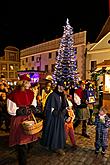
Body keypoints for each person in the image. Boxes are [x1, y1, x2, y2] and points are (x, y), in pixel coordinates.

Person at [7, 74, 38, 165]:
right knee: (22, 143)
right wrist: (19, 111)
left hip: (29, 119)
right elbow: (10, 110)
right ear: (23, 83)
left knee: (30, 142)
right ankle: (22, 162)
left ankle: (23, 156)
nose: (30, 83)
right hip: (19, 120)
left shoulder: (31, 93)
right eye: (28, 82)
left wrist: (32, 107)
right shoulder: (13, 94)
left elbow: (34, 103)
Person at [40, 81, 68, 156]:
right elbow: (49, 108)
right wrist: (56, 113)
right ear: (58, 86)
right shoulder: (52, 95)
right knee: (54, 132)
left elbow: (64, 105)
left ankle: (59, 145)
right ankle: (55, 146)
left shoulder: (62, 95)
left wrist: (65, 113)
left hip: (60, 117)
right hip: (54, 118)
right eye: (62, 87)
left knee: (60, 132)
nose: (63, 89)